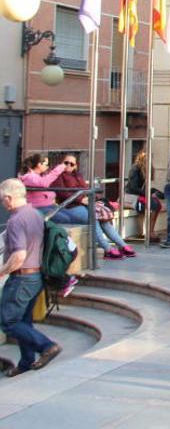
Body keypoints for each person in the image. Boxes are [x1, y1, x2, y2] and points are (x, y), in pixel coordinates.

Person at [0, 178, 62, 377]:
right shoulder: (35, 214)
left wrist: (2, 271)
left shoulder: (15, 220)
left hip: (21, 278)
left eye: (2, 199)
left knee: (8, 322)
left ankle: (46, 346)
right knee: (23, 322)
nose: (3, 203)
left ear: (9, 198)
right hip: (35, 277)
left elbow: (18, 256)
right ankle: (26, 362)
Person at [51, 154, 135, 260]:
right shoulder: (58, 176)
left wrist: (96, 199)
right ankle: (108, 249)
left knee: (103, 219)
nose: (68, 165)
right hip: (70, 207)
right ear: (61, 163)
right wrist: (80, 199)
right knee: (93, 218)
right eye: (66, 163)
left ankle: (123, 245)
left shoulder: (78, 176)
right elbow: (62, 193)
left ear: (75, 166)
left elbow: (86, 189)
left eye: (71, 164)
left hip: (85, 204)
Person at [18, 154, 87, 224]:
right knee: (64, 219)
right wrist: (60, 167)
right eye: (46, 164)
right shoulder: (28, 177)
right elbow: (43, 183)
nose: (47, 166)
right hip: (38, 207)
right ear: (39, 164)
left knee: (75, 217)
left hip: (50, 205)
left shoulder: (41, 175)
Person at [125, 150, 164, 243]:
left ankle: (150, 231)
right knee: (154, 204)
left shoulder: (146, 170)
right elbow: (133, 188)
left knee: (157, 204)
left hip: (139, 195)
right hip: (131, 195)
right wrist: (149, 194)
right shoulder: (135, 169)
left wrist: (157, 193)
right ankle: (150, 232)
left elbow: (145, 188)